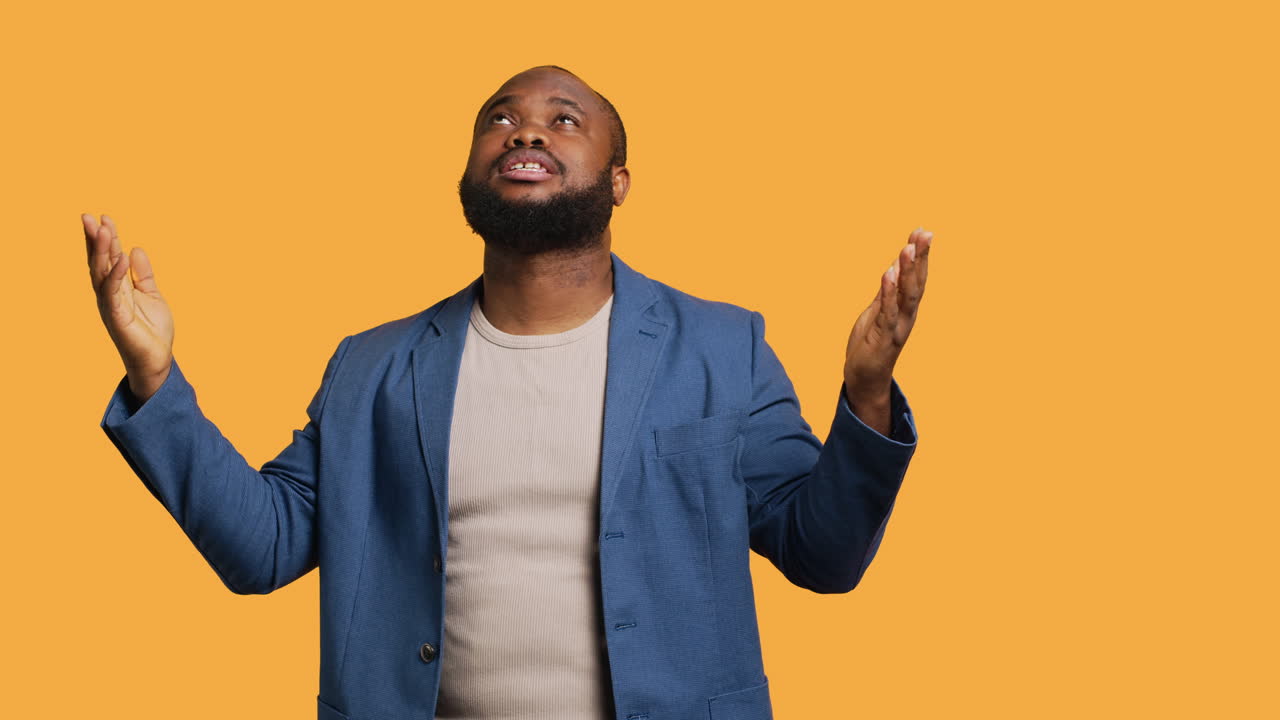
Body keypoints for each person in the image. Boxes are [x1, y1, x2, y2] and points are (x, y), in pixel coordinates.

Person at [86, 65, 931, 720]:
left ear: (620, 180)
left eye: (565, 118)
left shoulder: (721, 347)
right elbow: (262, 548)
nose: (525, 129)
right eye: (501, 117)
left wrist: (865, 394)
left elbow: (823, 558)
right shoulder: (371, 368)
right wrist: (155, 378)